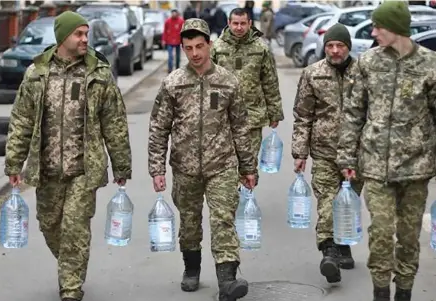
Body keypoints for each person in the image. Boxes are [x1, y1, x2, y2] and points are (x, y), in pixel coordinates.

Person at [336, 2, 436, 301]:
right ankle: (380, 293)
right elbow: (354, 112)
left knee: (408, 238)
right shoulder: (367, 63)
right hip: (375, 166)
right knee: (380, 234)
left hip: (416, 169)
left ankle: (404, 292)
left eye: (379, 26)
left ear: (396, 28)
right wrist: (346, 156)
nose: (374, 32)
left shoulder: (433, 65)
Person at [4, 11, 132, 301]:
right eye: (79, 34)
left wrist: (121, 164)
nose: (85, 39)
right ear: (63, 37)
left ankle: (71, 289)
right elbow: (21, 120)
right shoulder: (37, 74)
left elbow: (115, 123)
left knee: (74, 228)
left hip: (83, 171)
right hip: (46, 169)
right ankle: (70, 265)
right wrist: (14, 161)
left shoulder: (98, 74)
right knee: (49, 226)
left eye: (87, 34)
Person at [147, 18, 258, 301]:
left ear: (209, 45)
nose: (195, 53)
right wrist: (156, 168)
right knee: (190, 222)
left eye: (199, 46)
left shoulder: (228, 81)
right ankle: (191, 269)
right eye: (188, 48)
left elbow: (240, 127)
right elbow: (159, 128)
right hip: (184, 167)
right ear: (182, 48)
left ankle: (227, 280)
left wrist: (248, 167)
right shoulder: (173, 83)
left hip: (222, 164)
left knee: (223, 220)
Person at [291, 23, 364, 285]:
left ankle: (344, 247)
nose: (334, 51)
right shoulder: (313, 74)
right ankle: (329, 252)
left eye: (339, 46)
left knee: (349, 203)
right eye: (330, 46)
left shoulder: (363, 73)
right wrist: (300, 152)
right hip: (323, 152)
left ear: (348, 47)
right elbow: (303, 116)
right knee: (327, 202)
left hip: (357, 154)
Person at [211, 8, 284, 177]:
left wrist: (274, 114)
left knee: (249, 165)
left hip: (253, 116)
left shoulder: (261, 48)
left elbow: (270, 82)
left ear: (250, 24)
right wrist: (212, 112)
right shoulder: (218, 47)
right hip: (225, 118)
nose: (238, 27)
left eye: (243, 23)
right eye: (235, 23)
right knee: (227, 165)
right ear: (229, 23)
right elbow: (211, 84)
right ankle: (231, 200)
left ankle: (247, 199)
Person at [162, 9, 185, 73]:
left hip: (178, 41)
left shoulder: (181, 21)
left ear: (177, 14)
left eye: (175, 13)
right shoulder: (167, 21)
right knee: (170, 56)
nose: (174, 15)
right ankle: (170, 69)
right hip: (169, 41)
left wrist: (184, 40)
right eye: (173, 13)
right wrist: (163, 40)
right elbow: (165, 32)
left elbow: (183, 31)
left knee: (178, 57)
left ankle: (177, 68)